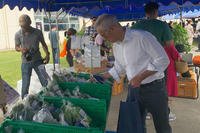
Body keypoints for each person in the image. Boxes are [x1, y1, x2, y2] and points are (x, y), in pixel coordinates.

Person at [95, 14, 171, 133]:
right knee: (135, 124)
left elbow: (163, 60)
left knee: (162, 125)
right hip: (134, 89)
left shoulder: (142, 37)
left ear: (113, 28)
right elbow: (119, 66)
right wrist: (104, 76)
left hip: (154, 88)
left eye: (104, 35)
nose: (104, 39)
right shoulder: (116, 45)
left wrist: (141, 77)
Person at [132, 1, 180, 121]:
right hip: (158, 61)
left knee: (143, 84)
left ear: (146, 12)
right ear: (156, 12)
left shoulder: (137, 25)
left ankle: (146, 111)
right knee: (160, 87)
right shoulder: (162, 25)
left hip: (140, 61)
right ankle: (165, 113)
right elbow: (170, 45)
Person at [15, 14, 50, 99]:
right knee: (25, 84)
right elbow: (16, 47)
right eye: (22, 26)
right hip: (25, 62)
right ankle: (24, 103)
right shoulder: (18, 34)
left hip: (38, 60)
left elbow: (44, 44)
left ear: (30, 23)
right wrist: (21, 49)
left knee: (45, 81)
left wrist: (47, 54)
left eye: (25, 26)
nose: (23, 29)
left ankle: (49, 98)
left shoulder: (37, 32)